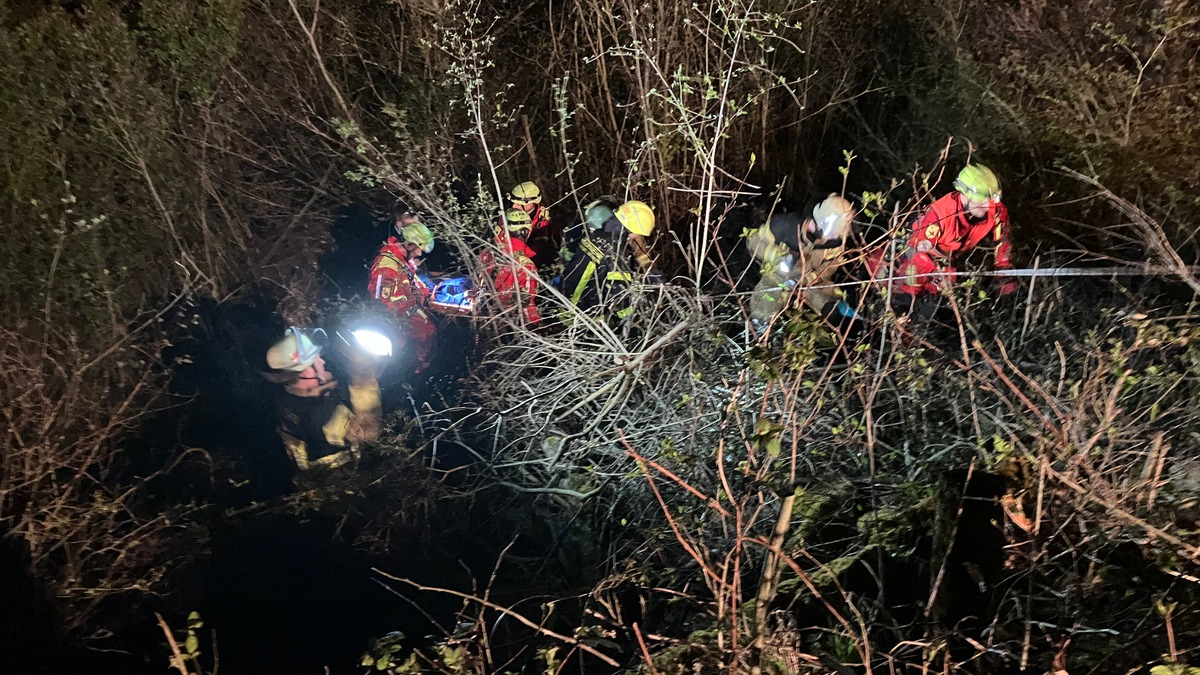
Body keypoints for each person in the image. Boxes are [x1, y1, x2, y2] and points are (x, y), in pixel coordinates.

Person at [890, 164, 1017, 304]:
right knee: (910, 286)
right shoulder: (940, 214)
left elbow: (1003, 239)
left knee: (946, 294)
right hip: (918, 256)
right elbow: (915, 248)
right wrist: (935, 274)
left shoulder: (995, 209)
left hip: (949, 260)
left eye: (990, 200)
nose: (988, 206)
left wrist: (1003, 269)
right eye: (981, 201)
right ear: (964, 196)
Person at [263, 327, 381, 471]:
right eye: (316, 358)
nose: (323, 361)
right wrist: (364, 377)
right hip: (343, 476)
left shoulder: (285, 396)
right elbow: (367, 431)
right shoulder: (320, 414)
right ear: (306, 371)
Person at [746, 194, 859, 332]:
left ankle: (839, 327)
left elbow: (829, 267)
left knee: (830, 300)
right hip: (778, 274)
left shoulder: (835, 243)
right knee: (770, 289)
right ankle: (763, 326)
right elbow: (753, 242)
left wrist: (806, 280)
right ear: (821, 222)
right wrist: (776, 257)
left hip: (808, 279)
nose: (836, 236)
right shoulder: (785, 226)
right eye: (834, 232)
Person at [559, 199, 661, 320]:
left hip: (563, 300)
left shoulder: (598, 235)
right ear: (632, 230)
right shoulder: (616, 252)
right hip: (579, 316)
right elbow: (620, 298)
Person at [368, 213, 437, 372]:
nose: (420, 253)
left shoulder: (402, 259)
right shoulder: (386, 269)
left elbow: (412, 281)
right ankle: (415, 371)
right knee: (424, 333)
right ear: (410, 244)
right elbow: (381, 307)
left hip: (412, 318)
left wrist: (429, 294)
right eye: (419, 248)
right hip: (401, 335)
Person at [480, 208, 542, 325]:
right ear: (526, 232)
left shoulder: (487, 253)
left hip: (483, 317)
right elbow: (527, 307)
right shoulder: (526, 266)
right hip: (507, 325)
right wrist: (538, 329)